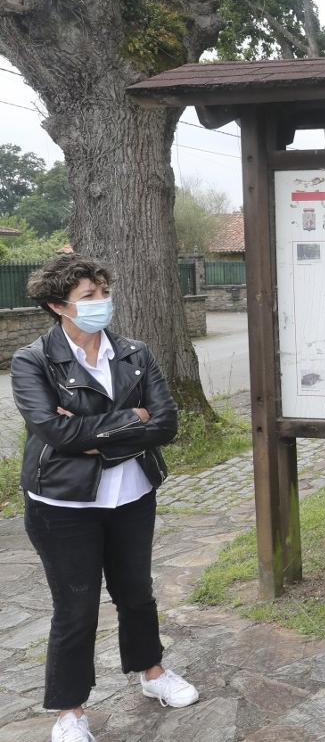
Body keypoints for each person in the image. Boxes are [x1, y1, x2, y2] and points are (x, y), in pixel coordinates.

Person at [12, 255, 199, 742]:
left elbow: (166, 423)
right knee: (76, 608)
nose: (102, 302)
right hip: (63, 504)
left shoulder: (135, 352)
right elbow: (55, 432)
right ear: (58, 306)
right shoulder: (33, 360)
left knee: (136, 592)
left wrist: (95, 434)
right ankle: (70, 712)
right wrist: (132, 419)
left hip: (132, 495)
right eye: (88, 296)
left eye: (103, 292)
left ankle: (151, 672)